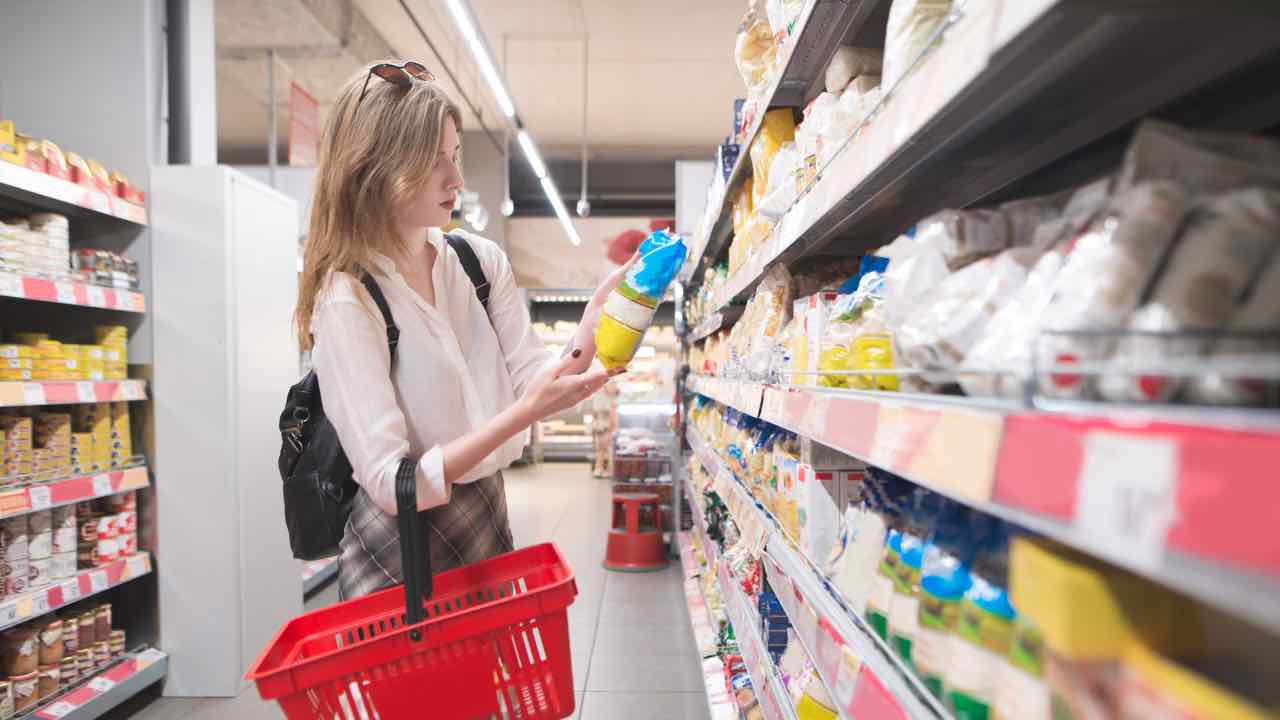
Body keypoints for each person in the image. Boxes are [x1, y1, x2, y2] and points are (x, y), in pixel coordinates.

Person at [294, 61, 632, 599]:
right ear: (375, 167)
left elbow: (531, 377)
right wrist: (524, 415)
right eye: (432, 163)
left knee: (496, 681)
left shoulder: (477, 262)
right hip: (399, 558)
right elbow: (389, 481)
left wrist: (590, 327)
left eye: (455, 156)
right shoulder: (349, 297)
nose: (456, 180)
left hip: (485, 519)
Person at [589, 381, 619, 478]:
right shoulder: (607, 379)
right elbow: (612, 391)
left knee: (605, 445)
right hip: (602, 415)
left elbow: (611, 391)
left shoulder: (606, 379)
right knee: (602, 445)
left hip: (604, 415)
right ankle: (602, 468)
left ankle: (605, 469)